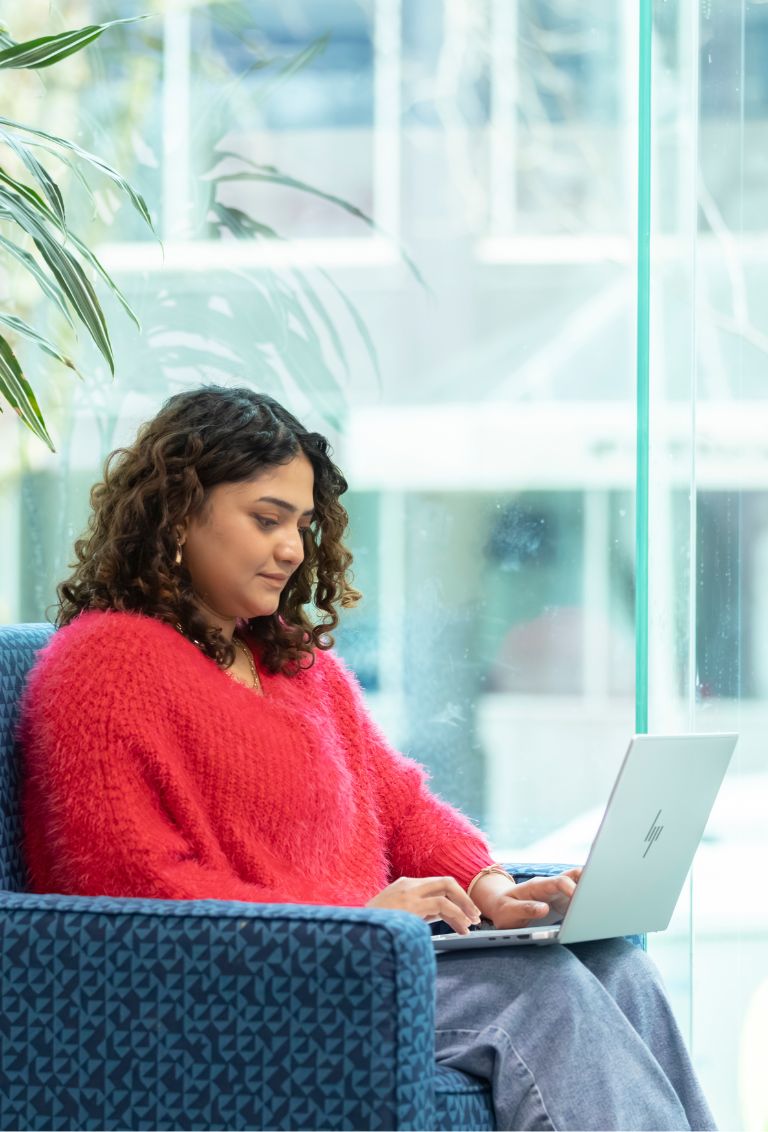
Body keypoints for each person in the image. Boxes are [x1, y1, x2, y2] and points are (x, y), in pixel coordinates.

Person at [18, 385, 716, 1131]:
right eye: (266, 519)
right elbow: (135, 901)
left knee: (621, 968)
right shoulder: (100, 668)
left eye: (303, 524)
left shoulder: (292, 663)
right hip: (251, 984)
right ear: (178, 515)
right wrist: (349, 923)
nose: (292, 548)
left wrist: (488, 886)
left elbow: (401, 803)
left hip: (365, 957)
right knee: (544, 997)